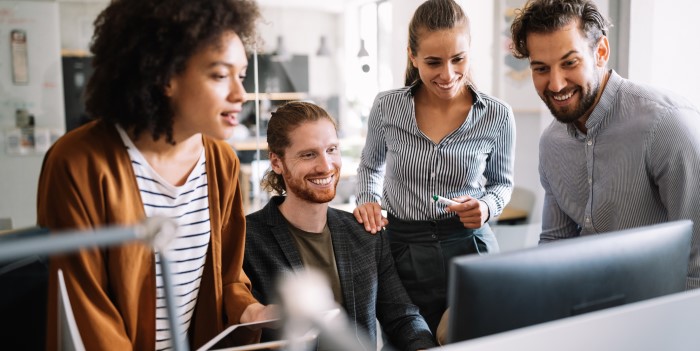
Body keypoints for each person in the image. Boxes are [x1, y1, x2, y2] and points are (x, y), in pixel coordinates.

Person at [36, 0, 276, 349]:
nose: (240, 94)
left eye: (241, 76)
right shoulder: (79, 162)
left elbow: (227, 277)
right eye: (220, 75)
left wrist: (249, 310)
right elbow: (83, 307)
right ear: (165, 75)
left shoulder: (221, 161)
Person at [510, 0, 700, 289]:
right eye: (541, 68)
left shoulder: (668, 124)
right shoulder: (551, 143)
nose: (556, 84)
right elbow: (554, 244)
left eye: (569, 63)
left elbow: (696, 263)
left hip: (660, 311)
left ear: (600, 52)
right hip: (586, 310)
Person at [353, 0, 516, 332]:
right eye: (433, 62)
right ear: (412, 56)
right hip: (402, 249)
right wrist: (368, 199)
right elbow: (370, 168)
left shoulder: (497, 115)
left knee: (475, 340)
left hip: (470, 247)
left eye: (458, 59)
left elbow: (502, 184)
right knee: (411, 339)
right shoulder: (387, 107)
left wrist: (486, 206)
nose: (448, 74)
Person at [243, 101, 438, 351]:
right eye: (308, 154)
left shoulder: (364, 233)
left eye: (332, 150)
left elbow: (402, 316)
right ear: (277, 162)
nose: (326, 166)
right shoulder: (249, 239)